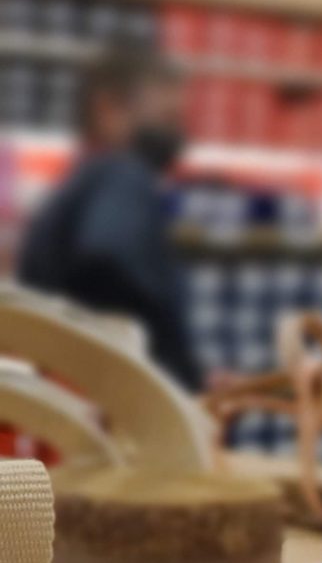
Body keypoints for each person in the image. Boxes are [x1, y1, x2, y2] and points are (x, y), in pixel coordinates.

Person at [17, 44, 201, 390]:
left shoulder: (81, 185)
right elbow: (107, 255)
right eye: (167, 119)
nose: (178, 136)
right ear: (108, 108)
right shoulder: (122, 174)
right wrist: (168, 360)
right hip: (108, 402)